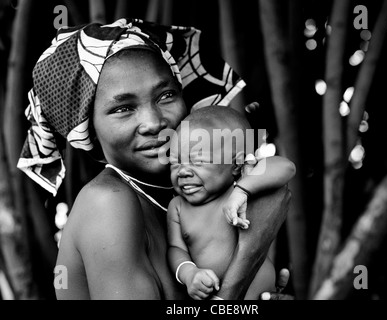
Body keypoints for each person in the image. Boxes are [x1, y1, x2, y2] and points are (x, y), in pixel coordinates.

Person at [17, 18, 295, 300]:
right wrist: (250, 253)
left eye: (166, 95)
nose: (153, 121)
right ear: (89, 128)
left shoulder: (185, 196)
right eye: (123, 108)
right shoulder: (108, 202)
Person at [167, 106, 294, 300]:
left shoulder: (245, 187)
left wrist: (243, 190)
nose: (183, 171)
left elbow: (286, 167)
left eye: (198, 161)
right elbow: (176, 249)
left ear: (236, 165)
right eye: (175, 163)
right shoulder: (178, 207)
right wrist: (189, 274)